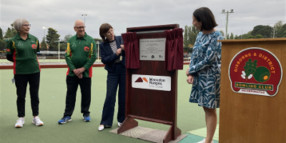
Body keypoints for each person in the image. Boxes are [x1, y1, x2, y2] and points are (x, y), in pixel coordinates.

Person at [186, 7, 223, 143]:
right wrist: (192, 73)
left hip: (211, 77)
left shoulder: (217, 36)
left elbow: (210, 59)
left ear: (203, 20)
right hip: (201, 77)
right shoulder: (200, 35)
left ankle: (208, 140)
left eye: (195, 20)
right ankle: (208, 139)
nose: (193, 23)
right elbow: (195, 55)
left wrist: (192, 69)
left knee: (210, 108)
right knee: (206, 108)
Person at [6, 18, 44, 128]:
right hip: (20, 72)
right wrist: (21, 62)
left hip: (35, 71)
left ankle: (35, 117)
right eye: (25, 25)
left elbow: (35, 53)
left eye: (28, 25)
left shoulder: (35, 39)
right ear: (18, 27)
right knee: (21, 96)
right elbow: (9, 57)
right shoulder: (12, 41)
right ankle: (21, 118)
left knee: (34, 95)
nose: (28, 27)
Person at [58, 20, 96, 124]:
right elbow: (67, 56)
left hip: (86, 73)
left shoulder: (91, 40)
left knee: (86, 94)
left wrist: (83, 69)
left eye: (83, 27)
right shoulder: (70, 40)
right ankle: (67, 115)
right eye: (79, 27)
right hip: (71, 73)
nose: (81, 29)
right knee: (70, 94)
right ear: (75, 28)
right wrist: (75, 70)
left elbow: (93, 57)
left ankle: (86, 113)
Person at [98, 23, 126, 131]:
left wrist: (125, 48)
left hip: (124, 71)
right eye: (108, 32)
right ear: (104, 34)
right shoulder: (102, 45)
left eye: (112, 30)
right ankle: (105, 122)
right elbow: (104, 60)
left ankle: (122, 120)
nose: (111, 33)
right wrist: (116, 54)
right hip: (112, 73)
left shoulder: (121, 38)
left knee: (123, 97)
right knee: (110, 96)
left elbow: (130, 52)